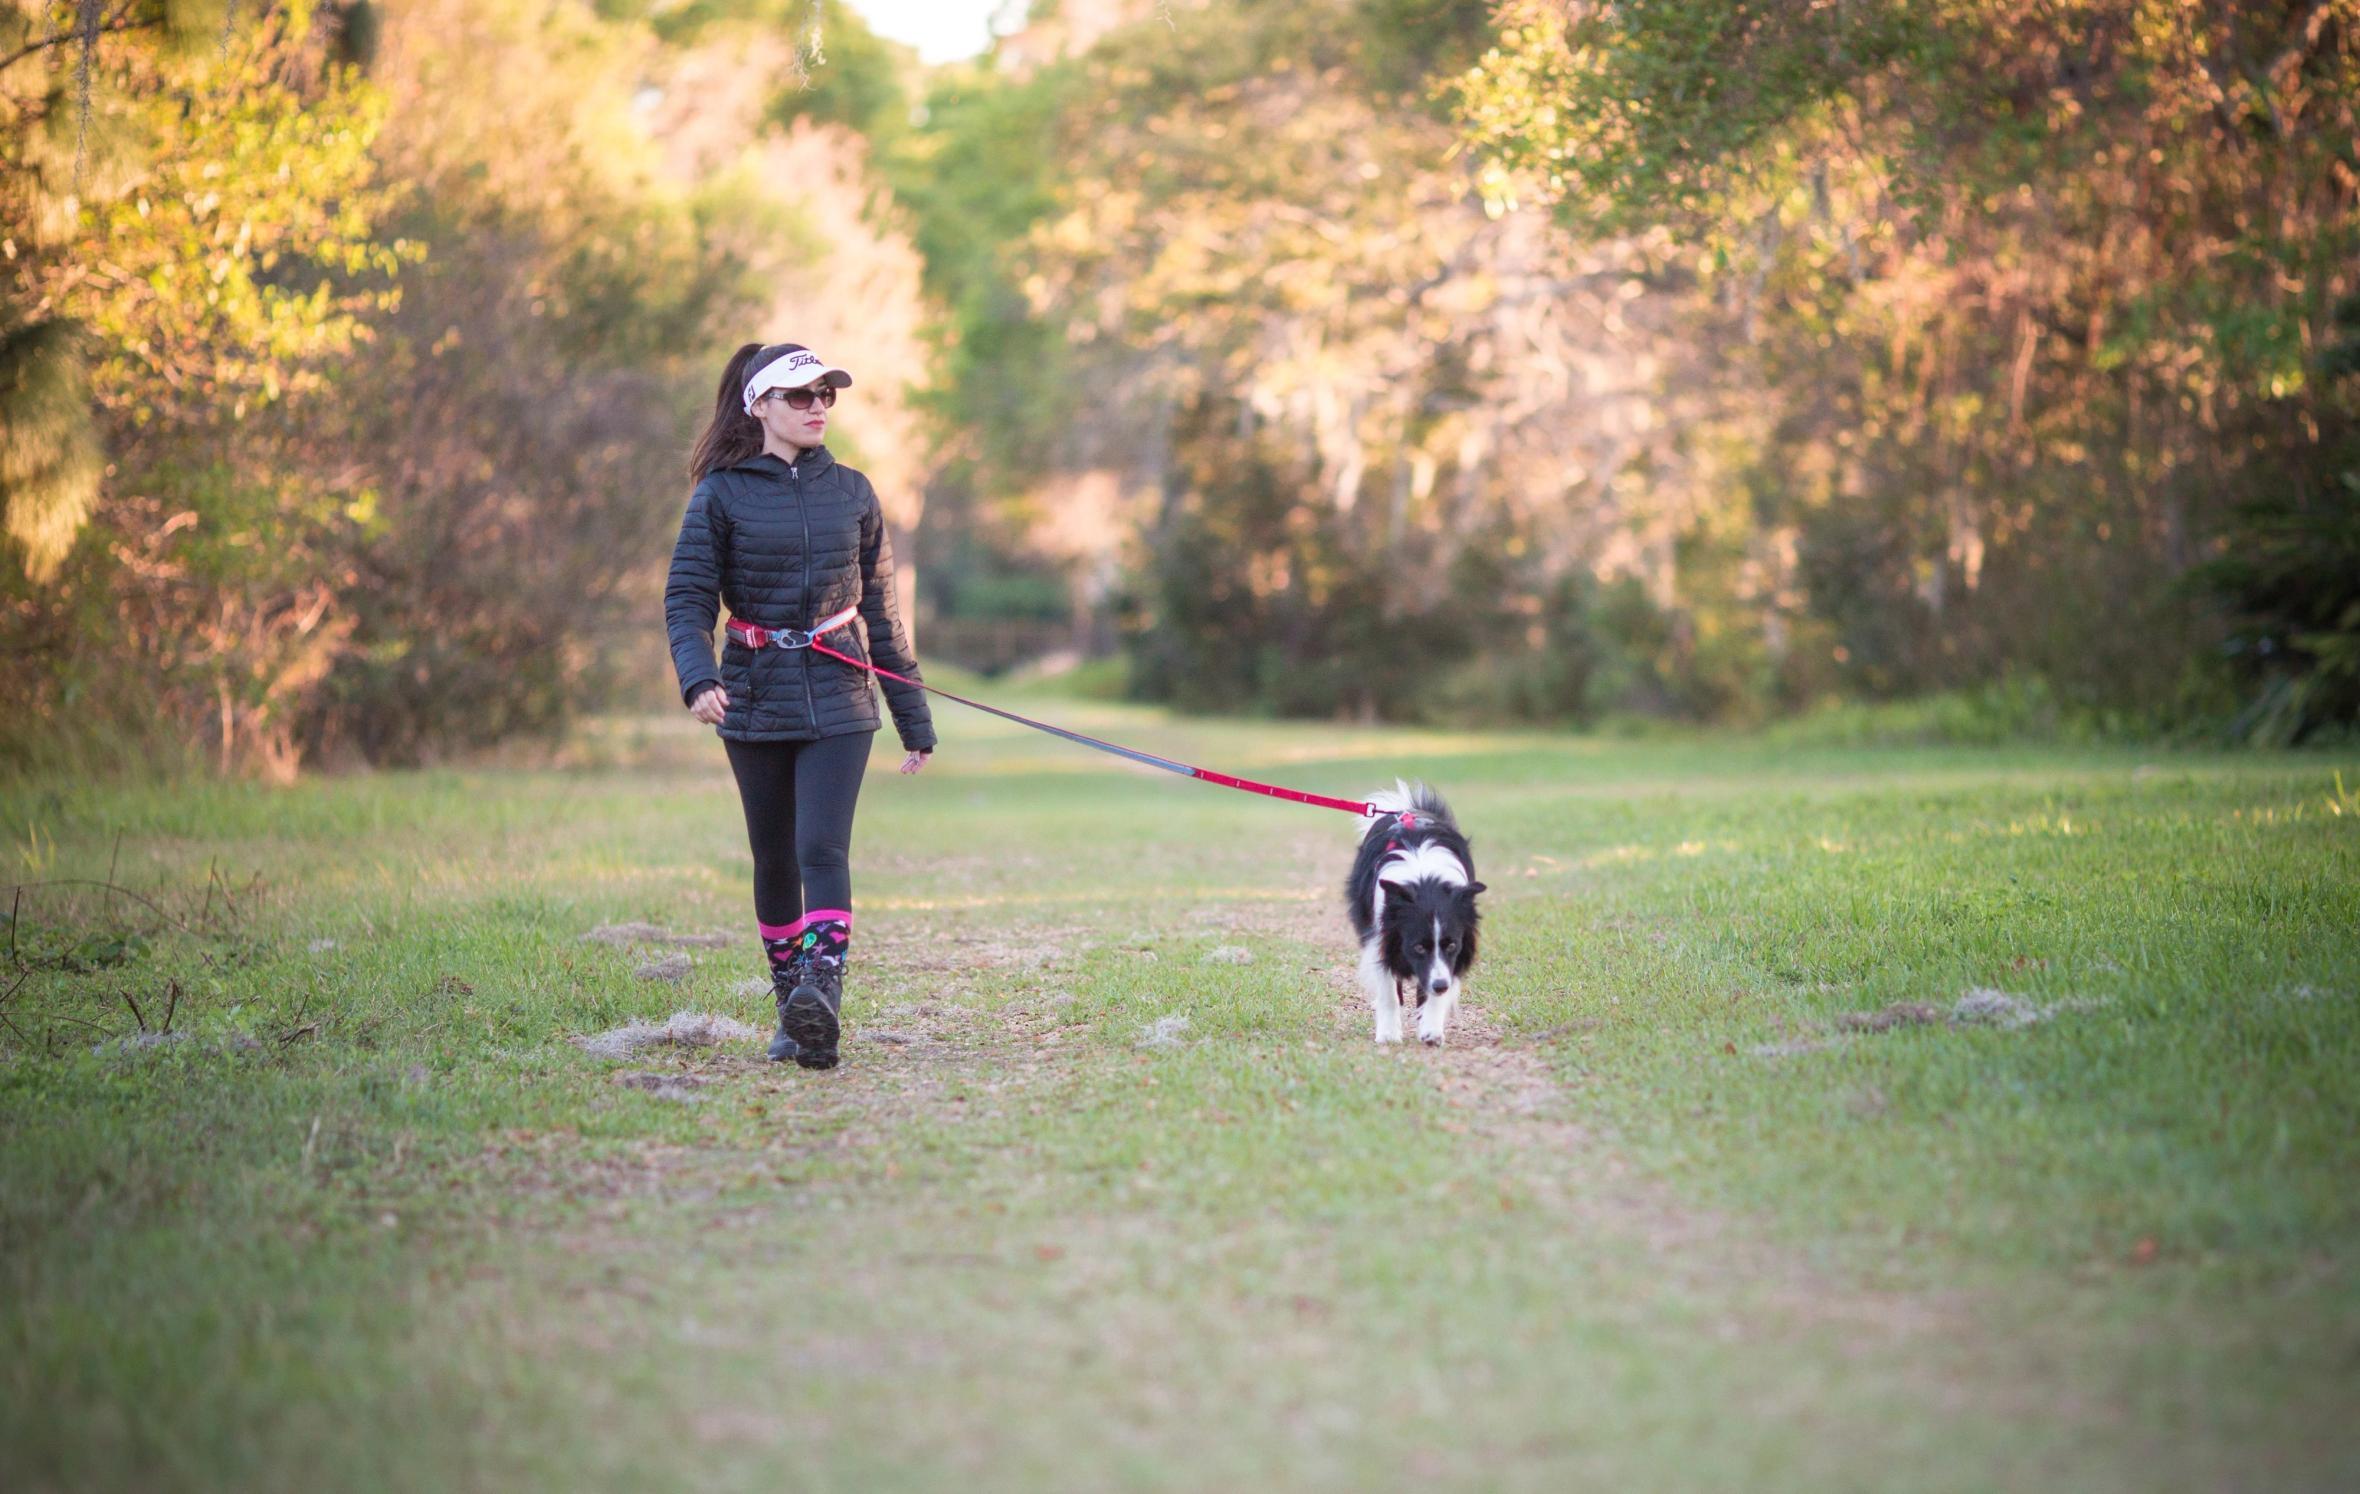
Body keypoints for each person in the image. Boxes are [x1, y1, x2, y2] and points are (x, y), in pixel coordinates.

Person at [665, 341, 936, 1070]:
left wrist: (913, 718)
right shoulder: (719, 495)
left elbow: (881, 612)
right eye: (800, 395)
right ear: (759, 405)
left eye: (826, 394)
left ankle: (823, 994)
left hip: (843, 697)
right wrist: (698, 679)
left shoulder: (852, 491)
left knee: (823, 847)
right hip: (751, 693)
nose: (817, 406)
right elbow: (688, 599)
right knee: (775, 856)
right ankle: (793, 1009)